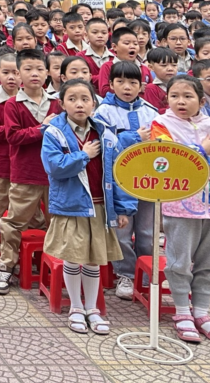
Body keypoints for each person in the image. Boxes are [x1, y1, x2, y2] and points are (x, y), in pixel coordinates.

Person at [150, 75, 210, 344]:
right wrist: (199, 149)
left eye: (188, 96)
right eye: (174, 96)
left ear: (201, 101)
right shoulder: (161, 124)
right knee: (179, 261)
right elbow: (164, 158)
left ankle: (202, 313)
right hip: (180, 206)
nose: (180, 101)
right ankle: (182, 312)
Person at [41, 78, 133, 335]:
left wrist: (122, 208)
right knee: (73, 258)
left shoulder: (106, 133)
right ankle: (76, 307)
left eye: (85, 99)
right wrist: (84, 155)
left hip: (100, 207)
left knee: (93, 261)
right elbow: (55, 167)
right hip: (72, 206)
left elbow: (118, 172)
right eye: (72, 99)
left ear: (94, 103)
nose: (79, 104)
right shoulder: (54, 132)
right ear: (61, 104)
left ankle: (92, 308)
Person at [0, 49, 59, 295]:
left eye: (40, 69)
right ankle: (5, 267)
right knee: (14, 222)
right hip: (24, 173)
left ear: (47, 72)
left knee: (57, 222)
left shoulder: (57, 102)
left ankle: (53, 266)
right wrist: (42, 129)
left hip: (55, 175)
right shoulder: (13, 104)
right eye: (28, 69)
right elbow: (12, 136)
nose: (34, 74)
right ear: (19, 73)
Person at [92, 61, 157, 300]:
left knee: (147, 231)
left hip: (148, 180)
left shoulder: (151, 112)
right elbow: (104, 143)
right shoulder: (103, 112)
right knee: (121, 231)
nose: (126, 87)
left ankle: (147, 275)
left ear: (142, 86)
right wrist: (133, 137)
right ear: (110, 84)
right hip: (117, 181)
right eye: (120, 82)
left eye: (132, 82)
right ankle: (126, 274)